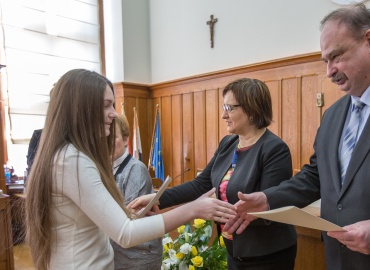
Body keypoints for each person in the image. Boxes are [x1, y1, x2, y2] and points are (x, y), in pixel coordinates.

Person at [223, 4, 370, 270]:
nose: (329, 71)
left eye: (336, 57)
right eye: (325, 61)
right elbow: (315, 176)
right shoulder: (333, 115)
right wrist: (268, 199)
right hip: (337, 260)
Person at [24, 69, 236, 270]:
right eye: (106, 105)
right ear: (83, 109)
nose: (114, 114)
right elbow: (125, 234)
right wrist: (194, 209)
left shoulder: (68, 155)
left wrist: (127, 213)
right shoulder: (72, 160)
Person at [129, 78, 296, 270]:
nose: (223, 115)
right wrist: (158, 198)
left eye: (229, 108)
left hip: (266, 253)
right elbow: (201, 184)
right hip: (235, 250)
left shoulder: (274, 149)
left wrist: (215, 210)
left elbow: (269, 210)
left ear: (252, 110)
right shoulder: (228, 144)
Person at [110, 114, 162, 270]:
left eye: (113, 137)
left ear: (126, 140)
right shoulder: (105, 168)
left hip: (138, 257)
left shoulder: (136, 169)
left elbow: (130, 216)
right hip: (116, 253)